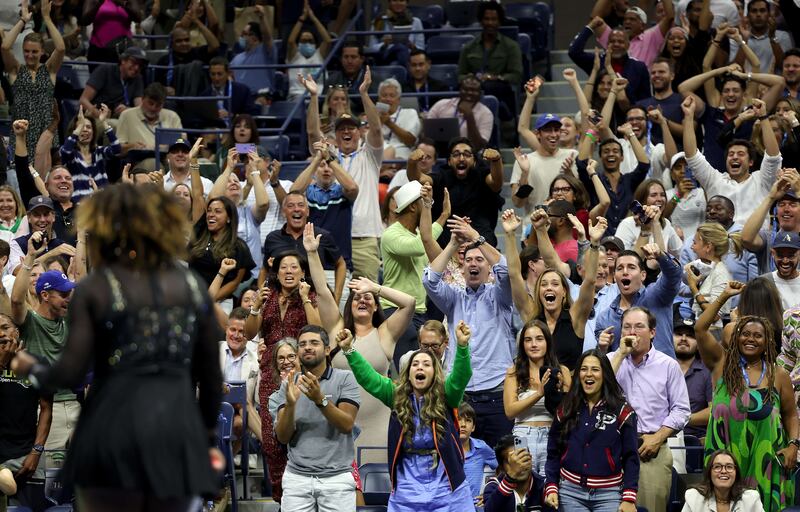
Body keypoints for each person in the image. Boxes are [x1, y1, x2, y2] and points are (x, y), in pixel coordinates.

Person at [10, 184, 224, 511]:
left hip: (111, 435)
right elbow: (211, 381)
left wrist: (29, 367)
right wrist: (206, 437)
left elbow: (70, 374)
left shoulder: (97, 287)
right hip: (174, 434)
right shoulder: (192, 286)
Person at [305, 223, 415, 465]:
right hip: (339, 425)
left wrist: (374, 287)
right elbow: (322, 291)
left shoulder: (385, 333)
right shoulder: (336, 329)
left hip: (379, 426)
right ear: (350, 304)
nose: (362, 300)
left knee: (376, 494)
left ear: (376, 306)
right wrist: (312, 253)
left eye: (368, 298)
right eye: (357, 297)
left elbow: (409, 303)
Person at [337, 320, 476, 510]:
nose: (420, 367)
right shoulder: (395, 395)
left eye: (426, 364)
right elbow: (368, 378)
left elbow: (461, 376)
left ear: (435, 373)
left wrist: (462, 346)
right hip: (407, 486)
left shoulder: (447, 395)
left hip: (447, 485)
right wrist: (349, 350)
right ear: (408, 373)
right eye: (415, 364)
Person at [694, 281, 798, 512]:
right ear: (737, 338)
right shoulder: (721, 364)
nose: (750, 339)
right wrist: (724, 296)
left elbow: (790, 415)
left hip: (766, 463)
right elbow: (700, 328)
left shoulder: (778, 375)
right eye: (745, 334)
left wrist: (793, 445)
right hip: (724, 462)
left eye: (757, 336)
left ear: (767, 342)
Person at [423, 217, 513, 448]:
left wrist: (475, 238)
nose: (473, 263)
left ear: (488, 268)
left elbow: (505, 268)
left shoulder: (500, 296)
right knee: (455, 461)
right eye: (468, 260)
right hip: (459, 396)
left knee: (502, 463)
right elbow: (430, 280)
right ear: (462, 269)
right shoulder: (454, 298)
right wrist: (453, 244)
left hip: (496, 395)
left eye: (480, 260)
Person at [245, 251, 319, 503]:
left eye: (294, 267)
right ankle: (281, 499)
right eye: (284, 268)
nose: (289, 271)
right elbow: (248, 333)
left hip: (300, 374)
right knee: (271, 442)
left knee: (296, 435)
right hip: (269, 374)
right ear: (276, 273)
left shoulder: (309, 297)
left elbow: (317, 331)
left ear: (302, 273)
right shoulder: (267, 297)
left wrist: (305, 299)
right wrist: (255, 308)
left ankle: (303, 497)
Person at [303, 69, 384, 282]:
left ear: (359, 133)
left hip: (363, 237)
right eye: (341, 129)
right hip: (333, 236)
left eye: (352, 128)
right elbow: (312, 133)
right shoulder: (328, 155)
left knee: (369, 296)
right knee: (332, 298)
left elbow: (376, 128)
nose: (347, 132)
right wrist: (313, 97)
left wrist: (364, 93)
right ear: (335, 135)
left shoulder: (370, 156)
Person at [607, 307, 691, 512]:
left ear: (652, 332)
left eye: (639, 326)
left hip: (650, 450)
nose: (632, 332)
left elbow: (681, 410)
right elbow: (595, 394)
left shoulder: (668, 365)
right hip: (610, 449)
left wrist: (658, 437)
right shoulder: (610, 361)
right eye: (626, 327)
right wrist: (620, 354)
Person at [270, 325, 360, 511]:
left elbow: (347, 425)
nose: (308, 347)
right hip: (297, 478)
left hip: (337, 478)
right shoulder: (288, 384)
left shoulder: (345, 379)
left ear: (327, 350)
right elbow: (282, 437)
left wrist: (320, 400)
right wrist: (291, 405)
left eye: (314, 343)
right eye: (302, 344)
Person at [504, 209, 605, 370]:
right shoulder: (531, 315)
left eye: (555, 284)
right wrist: (509, 235)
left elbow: (590, 281)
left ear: (564, 291)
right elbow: (515, 275)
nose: (549, 287)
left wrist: (594, 244)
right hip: (536, 393)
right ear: (538, 292)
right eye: (544, 284)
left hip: (569, 392)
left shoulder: (576, 317)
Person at [542, 349, 639, 512]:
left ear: (605, 374)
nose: (589, 374)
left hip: (609, 494)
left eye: (595, 369)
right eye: (584, 369)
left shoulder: (623, 411)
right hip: (570, 493)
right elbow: (553, 451)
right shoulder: (566, 407)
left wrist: (629, 497)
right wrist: (552, 485)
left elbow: (631, 457)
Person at [503, 319, 571, 477]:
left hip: (552, 433)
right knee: (524, 486)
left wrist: (559, 392)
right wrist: (539, 393)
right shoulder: (513, 372)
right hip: (522, 434)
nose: (534, 344)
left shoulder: (563, 371)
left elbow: (570, 412)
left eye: (539, 339)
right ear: (522, 345)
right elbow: (510, 411)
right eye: (528, 340)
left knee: (551, 488)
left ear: (548, 342)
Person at [408, 138, 503, 247]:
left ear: (475, 161)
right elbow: (417, 178)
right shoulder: (442, 176)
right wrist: (412, 162)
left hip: (478, 232)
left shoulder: (482, 175)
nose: (461, 158)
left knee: (487, 240)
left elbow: (496, 183)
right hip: (447, 234)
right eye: (456, 154)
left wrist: (496, 161)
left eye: (467, 155)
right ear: (449, 161)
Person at [0, 312, 52, 501]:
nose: (1, 334)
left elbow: (46, 409)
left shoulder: (36, 363)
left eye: (5, 328)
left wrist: (36, 452)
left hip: (26, 454)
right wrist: (2, 363)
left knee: (32, 506)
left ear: (17, 332)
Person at [1, 0, 64, 158]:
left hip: (46, 136)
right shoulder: (16, 70)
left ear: (42, 51)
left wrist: (46, 18)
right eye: (26, 51)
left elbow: (61, 48)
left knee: (47, 180)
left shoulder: (49, 70)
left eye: (34, 52)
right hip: (21, 136)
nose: (29, 55)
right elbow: (5, 47)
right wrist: (23, 21)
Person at [594, 245, 682, 357]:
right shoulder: (604, 318)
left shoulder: (658, 295)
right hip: (625, 374)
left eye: (631, 267)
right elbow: (603, 360)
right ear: (615, 277)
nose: (625, 272)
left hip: (662, 373)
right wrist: (602, 348)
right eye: (620, 268)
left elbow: (674, 274)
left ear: (643, 275)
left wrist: (660, 255)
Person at [260, 192, 346, 303]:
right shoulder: (272, 238)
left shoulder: (321, 236)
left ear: (308, 211)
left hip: (314, 301)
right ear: (283, 212)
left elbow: (341, 264)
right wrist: (262, 296)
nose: (296, 209)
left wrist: (336, 298)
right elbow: (264, 270)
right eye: (291, 206)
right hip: (281, 301)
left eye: (301, 205)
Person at [290, 142, 359, 279]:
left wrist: (329, 158)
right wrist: (317, 159)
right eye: (322, 166)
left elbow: (352, 188)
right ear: (315, 171)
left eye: (329, 166)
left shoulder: (343, 192)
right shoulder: (308, 193)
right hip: (310, 265)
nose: (326, 169)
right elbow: (293, 193)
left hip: (339, 266)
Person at [208, 148, 269, 279]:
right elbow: (213, 198)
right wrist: (229, 168)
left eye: (236, 181)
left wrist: (254, 170)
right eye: (228, 182)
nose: (233, 183)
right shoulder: (215, 215)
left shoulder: (249, 211)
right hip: (223, 277)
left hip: (253, 278)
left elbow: (263, 203)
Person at [457, 2, 521, 120]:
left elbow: (516, 75)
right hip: (472, 92)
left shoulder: (511, 46)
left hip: (500, 92)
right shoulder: (468, 48)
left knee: (490, 86)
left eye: (494, 19)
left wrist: (495, 77)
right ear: (481, 21)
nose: (490, 23)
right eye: (486, 19)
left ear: (500, 21)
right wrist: (471, 79)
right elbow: (460, 75)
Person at [187, 196, 256, 304]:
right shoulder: (198, 239)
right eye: (209, 211)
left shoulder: (239, 246)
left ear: (229, 218)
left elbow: (234, 283)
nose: (211, 214)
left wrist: (208, 301)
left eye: (217, 211)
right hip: (191, 298)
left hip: (220, 302)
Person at [511, 112, 579, 219]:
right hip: (534, 225)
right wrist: (525, 173)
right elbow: (518, 203)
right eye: (548, 130)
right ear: (537, 134)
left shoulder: (572, 155)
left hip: (566, 224)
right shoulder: (524, 161)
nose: (553, 134)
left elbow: (580, 197)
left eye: (556, 130)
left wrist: (569, 175)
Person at [218, 307, 260, 449]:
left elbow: (259, 398)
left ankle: (227, 463)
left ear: (248, 334)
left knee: (240, 423)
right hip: (212, 405)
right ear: (226, 329)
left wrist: (264, 366)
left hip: (241, 412)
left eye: (242, 331)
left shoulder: (256, 360)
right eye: (233, 330)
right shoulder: (213, 350)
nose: (236, 335)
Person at [685, 222, 743, 324]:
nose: (692, 248)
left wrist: (694, 288)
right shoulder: (707, 271)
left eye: (695, 243)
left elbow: (715, 316)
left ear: (708, 247)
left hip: (713, 333)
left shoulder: (721, 273)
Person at [60, 105, 120, 202]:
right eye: (81, 127)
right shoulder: (70, 153)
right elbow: (66, 151)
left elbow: (117, 149)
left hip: (103, 202)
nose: (85, 130)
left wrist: (104, 122)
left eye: (88, 127)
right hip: (79, 204)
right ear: (75, 130)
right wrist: (78, 128)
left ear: (94, 132)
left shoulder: (99, 151)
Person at [591, 1, 676, 68]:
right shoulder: (614, 38)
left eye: (632, 19)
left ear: (642, 25)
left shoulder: (651, 36)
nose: (627, 22)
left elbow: (669, 17)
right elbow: (595, 19)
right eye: (625, 19)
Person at [115, 83, 183, 166]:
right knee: (152, 163)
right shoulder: (127, 115)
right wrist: (131, 146)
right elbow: (118, 150)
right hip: (137, 163)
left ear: (163, 104)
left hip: (167, 161)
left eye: (158, 105)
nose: (153, 108)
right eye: (150, 103)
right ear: (142, 99)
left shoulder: (172, 117)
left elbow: (182, 143)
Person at [614, 179, 684, 255]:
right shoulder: (627, 224)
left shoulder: (665, 223)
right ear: (642, 200)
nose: (659, 199)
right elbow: (621, 257)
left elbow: (680, 253)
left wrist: (655, 222)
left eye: (662, 195)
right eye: (653, 195)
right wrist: (645, 229)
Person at [682, 449, 764, 512]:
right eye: (717, 467)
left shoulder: (751, 499)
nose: (724, 471)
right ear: (710, 473)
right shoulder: (694, 497)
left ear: (736, 473)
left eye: (729, 467)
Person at [673, 316, 713, 442]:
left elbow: (715, 410)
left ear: (698, 342)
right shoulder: (660, 368)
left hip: (695, 439)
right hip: (662, 438)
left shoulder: (709, 372)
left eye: (690, 336)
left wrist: (680, 419)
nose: (683, 339)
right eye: (679, 334)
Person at [427, 76, 493, 150]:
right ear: (460, 90)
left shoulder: (486, 113)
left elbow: (478, 146)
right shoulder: (441, 104)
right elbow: (426, 131)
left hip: (469, 152)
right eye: (466, 89)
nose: (469, 93)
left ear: (480, 93)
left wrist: (469, 116)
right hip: (439, 149)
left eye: (474, 90)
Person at [79, 46, 146, 119]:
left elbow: (139, 107)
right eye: (134, 62)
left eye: (140, 65)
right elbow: (83, 100)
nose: (136, 68)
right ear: (123, 60)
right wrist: (100, 115)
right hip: (95, 117)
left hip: (120, 118)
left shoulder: (137, 78)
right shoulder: (105, 70)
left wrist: (127, 110)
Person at [286, 3, 332, 101]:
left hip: (320, 97)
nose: (307, 43)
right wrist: (302, 19)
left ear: (315, 44)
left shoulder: (319, 55)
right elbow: (291, 41)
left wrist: (313, 18)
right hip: (297, 96)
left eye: (310, 41)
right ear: (298, 44)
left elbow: (328, 41)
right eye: (303, 41)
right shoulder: (294, 56)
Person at [154, 25, 219, 93]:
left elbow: (215, 45)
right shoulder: (164, 61)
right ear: (171, 44)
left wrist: (197, 22)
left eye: (186, 40)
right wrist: (165, 89)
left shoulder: (198, 53)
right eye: (178, 41)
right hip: (172, 100)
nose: (184, 43)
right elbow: (155, 86)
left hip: (197, 98)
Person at [197, 57, 258, 127]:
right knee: (201, 137)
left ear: (228, 73)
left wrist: (232, 115)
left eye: (219, 74)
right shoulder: (204, 95)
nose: (216, 78)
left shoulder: (242, 90)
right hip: (214, 132)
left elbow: (252, 114)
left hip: (236, 130)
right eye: (213, 74)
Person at [458, 401, 498, 505]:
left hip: (474, 505)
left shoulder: (482, 448)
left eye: (468, 420)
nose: (463, 424)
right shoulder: (444, 449)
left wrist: (491, 491)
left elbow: (501, 466)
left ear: (473, 427)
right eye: (458, 420)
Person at [231, 6, 274, 95]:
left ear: (254, 37)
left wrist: (262, 18)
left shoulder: (265, 51)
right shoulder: (236, 58)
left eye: (244, 34)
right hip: (241, 99)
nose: (241, 37)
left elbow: (267, 37)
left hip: (261, 96)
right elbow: (228, 74)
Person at [377, 78, 420, 160]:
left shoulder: (409, 113)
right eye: (384, 95)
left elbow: (410, 141)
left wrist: (389, 123)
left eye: (392, 96)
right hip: (377, 154)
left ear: (399, 99)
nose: (387, 99)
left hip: (400, 155)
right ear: (379, 98)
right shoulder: (372, 116)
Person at [761, 230, 800, 310]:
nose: (785, 261)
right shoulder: (763, 283)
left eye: (791, 256)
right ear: (773, 254)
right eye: (780, 255)